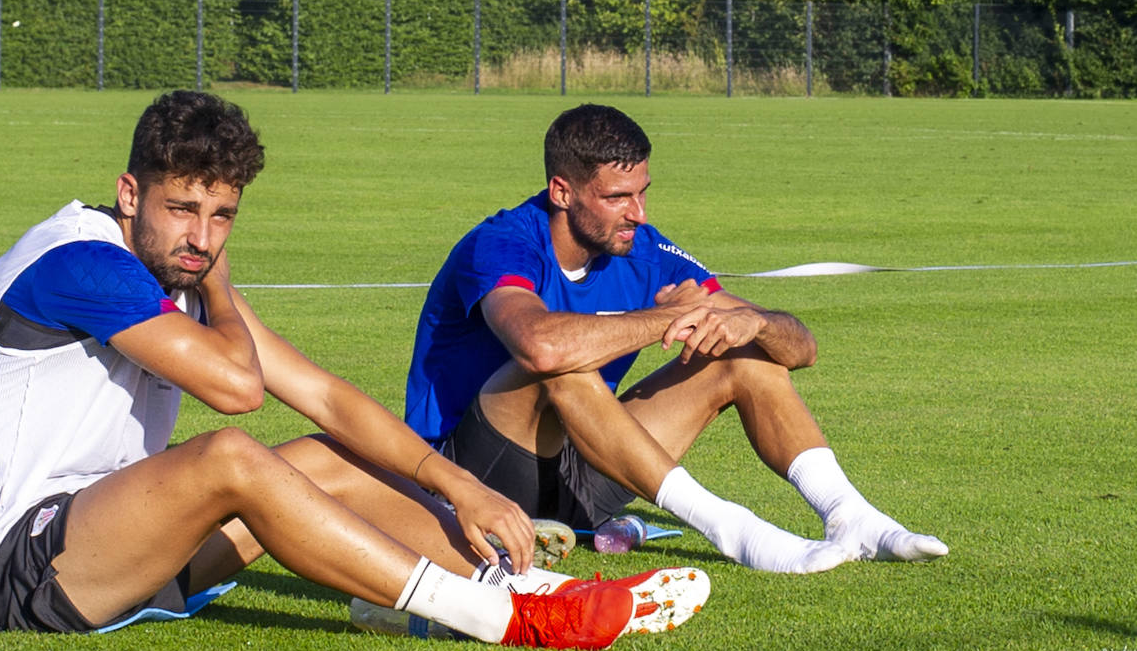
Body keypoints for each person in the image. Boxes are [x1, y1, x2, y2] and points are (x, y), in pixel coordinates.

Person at [0, 90, 708, 650]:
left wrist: (460, 485)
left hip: (124, 548)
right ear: (129, 193)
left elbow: (326, 398)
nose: (202, 238)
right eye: (182, 210)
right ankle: (498, 619)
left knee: (331, 454)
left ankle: (536, 590)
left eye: (222, 215)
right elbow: (237, 391)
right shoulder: (82, 263)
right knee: (228, 458)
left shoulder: (170, 269)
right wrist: (222, 288)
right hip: (19, 572)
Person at [405, 103, 948, 574]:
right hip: (468, 481)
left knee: (741, 351)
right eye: (618, 197)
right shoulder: (501, 242)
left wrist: (755, 323)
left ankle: (850, 516)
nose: (638, 214)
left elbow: (801, 348)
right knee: (560, 365)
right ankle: (732, 528)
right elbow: (540, 347)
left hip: (578, 477)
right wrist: (662, 318)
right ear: (562, 192)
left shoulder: (643, 248)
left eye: (643, 193)